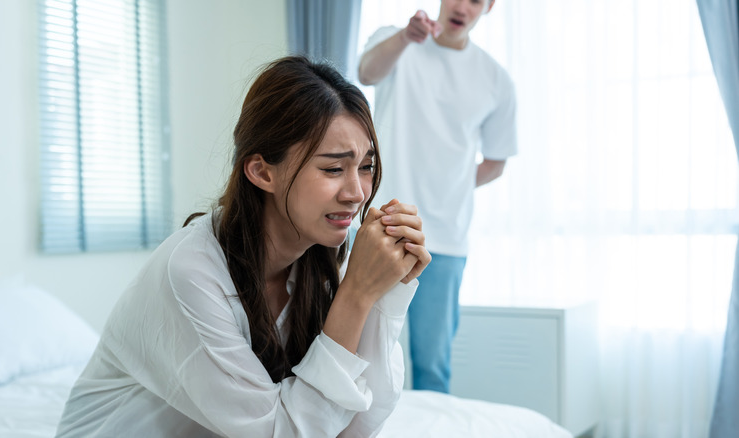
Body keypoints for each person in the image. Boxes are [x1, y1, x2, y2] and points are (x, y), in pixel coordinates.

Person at [56, 56, 431, 437]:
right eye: (333, 169)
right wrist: (355, 294)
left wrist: (382, 294)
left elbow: (356, 423)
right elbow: (278, 432)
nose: (357, 193)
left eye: (365, 167)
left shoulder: (315, 259)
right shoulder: (192, 272)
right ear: (262, 171)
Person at [358, 0, 517, 394]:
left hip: (444, 239)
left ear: (490, 7)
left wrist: (453, 186)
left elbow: (496, 162)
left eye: (476, 0)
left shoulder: (496, 79)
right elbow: (365, 72)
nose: (463, 6)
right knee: (360, 357)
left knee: (432, 365)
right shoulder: (397, 42)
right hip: (382, 226)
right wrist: (405, 38)